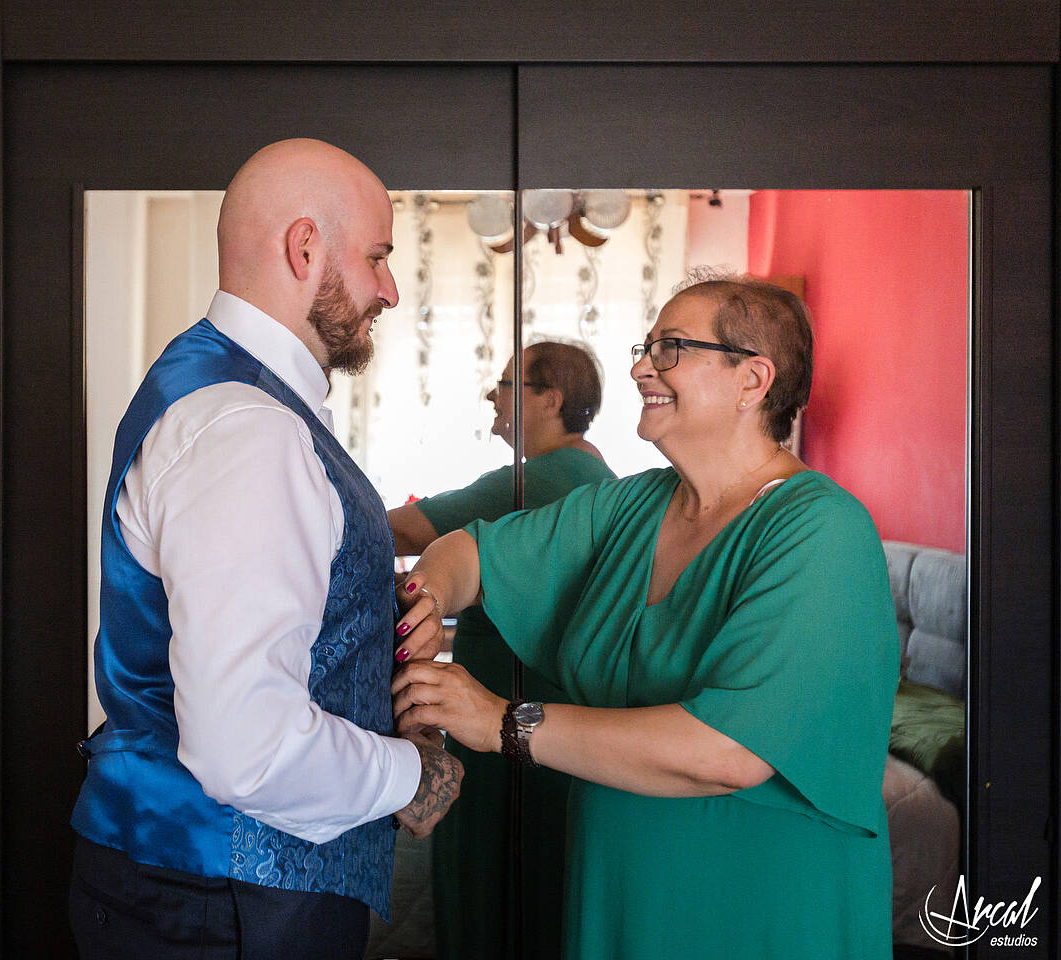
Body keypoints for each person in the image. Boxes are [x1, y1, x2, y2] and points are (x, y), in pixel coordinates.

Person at [390, 274, 897, 958]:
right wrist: (428, 599)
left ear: (752, 380)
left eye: (670, 349)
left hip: (753, 905)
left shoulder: (822, 531)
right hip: (619, 890)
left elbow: (730, 751)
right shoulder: (635, 505)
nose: (638, 368)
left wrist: (502, 722)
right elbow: (471, 551)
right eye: (645, 347)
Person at [69, 138, 462, 960]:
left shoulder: (225, 390)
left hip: (214, 891)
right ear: (305, 246)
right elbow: (245, 745)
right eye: (378, 257)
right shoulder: (250, 428)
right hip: (226, 901)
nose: (389, 288)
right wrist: (410, 776)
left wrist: (373, 619)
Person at [387, 340, 613, 960]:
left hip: (504, 712)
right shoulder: (598, 476)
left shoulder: (536, 478)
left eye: (509, 383)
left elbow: (408, 529)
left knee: (489, 876)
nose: (494, 395)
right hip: (563, 710)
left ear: (551, 399)